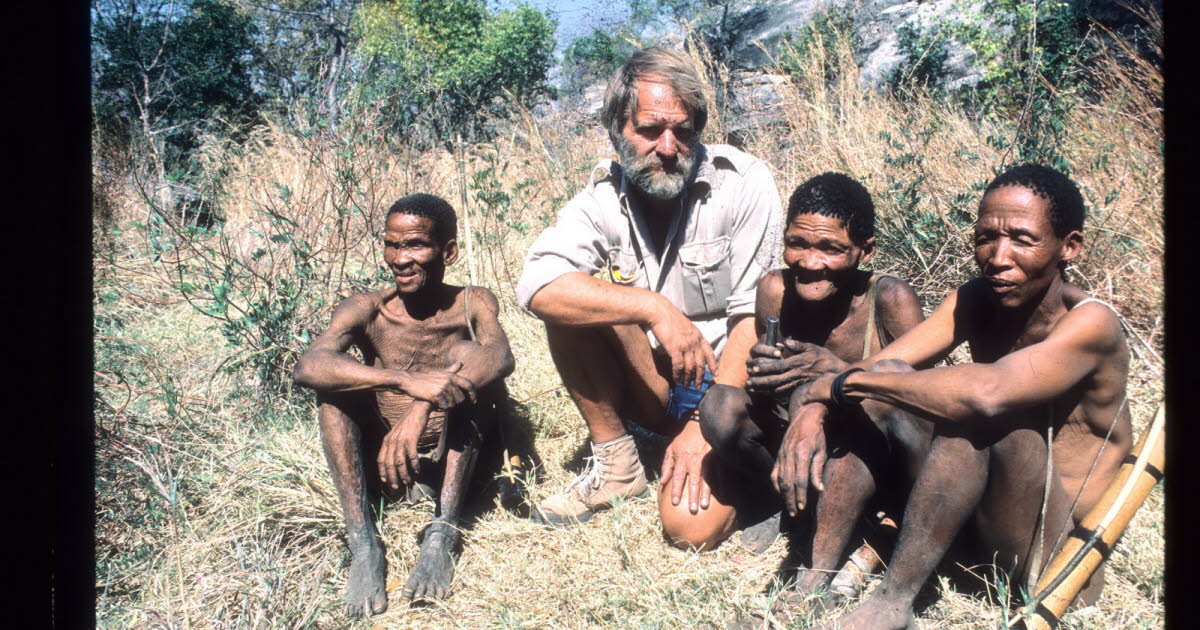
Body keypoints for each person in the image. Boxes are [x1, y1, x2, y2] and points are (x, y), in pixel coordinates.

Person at [775, 164, 1133, 629]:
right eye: (987, 237)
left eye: (1022, 240)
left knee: (976, 410)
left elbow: (987, 394)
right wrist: (816, 407)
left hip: (1058, 559)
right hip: (975, 533)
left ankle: (894, 601)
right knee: (890, 384)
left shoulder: (1090, 323)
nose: (998, 257)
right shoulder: (977, 298)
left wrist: (840, 384)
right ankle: (813, 579)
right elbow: (888, 368)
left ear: (1070, 247)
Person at [514, 46, 783, 549]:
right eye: (650, 129)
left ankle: (744, 467)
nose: (667, 146)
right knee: (578, 303)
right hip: (660, 383)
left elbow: (754, 316)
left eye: (683, 131)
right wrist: (653, 308)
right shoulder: (599, 200)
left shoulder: (744, 184)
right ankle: (619, 464)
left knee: (689, 531)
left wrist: (709, 426)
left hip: (733, 390)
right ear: (618, 130)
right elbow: (539, 285)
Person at [700, 172, 930, 611]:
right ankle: (781, 503)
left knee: (876, 408)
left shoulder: (890, 300)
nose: (809, 262)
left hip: (868, 451)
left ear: (866, 251)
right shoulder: (775, 288)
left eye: (831, 248)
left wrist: (838, 376)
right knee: (719, 407)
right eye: (798, 244)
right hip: (798, 439)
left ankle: (841, 544)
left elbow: (922, 399)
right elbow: (768, 390)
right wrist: (766, 376)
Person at [293, 194, 515, 617]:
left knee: (472, 371)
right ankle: (363, 541)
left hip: (451, 453)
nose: (399, 259)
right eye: (391, 245)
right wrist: (404, 380)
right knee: (332, 390)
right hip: (385, 459)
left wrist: (421, 409)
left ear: (447, 251)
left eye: (414, 245)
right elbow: (309, 365)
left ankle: (442, 532)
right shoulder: (368, 308)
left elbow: (499, 357)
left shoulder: (472, 301)